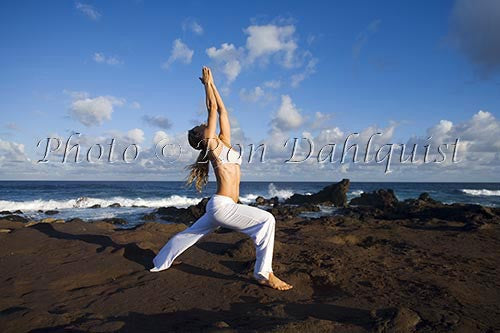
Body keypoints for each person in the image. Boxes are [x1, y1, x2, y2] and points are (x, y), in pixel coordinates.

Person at [149, 66, 293, 291]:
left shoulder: (223, 142)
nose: (203, 124)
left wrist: (213, 84)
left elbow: (223, 111)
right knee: (267, 220)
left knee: (190, 234)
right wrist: (206, 85)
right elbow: (213, 109)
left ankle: (159, 262)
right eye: (200, 126)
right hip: (223, 206)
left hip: (221, 207)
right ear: (201, 136)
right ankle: (264, 273)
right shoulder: (211, 144)